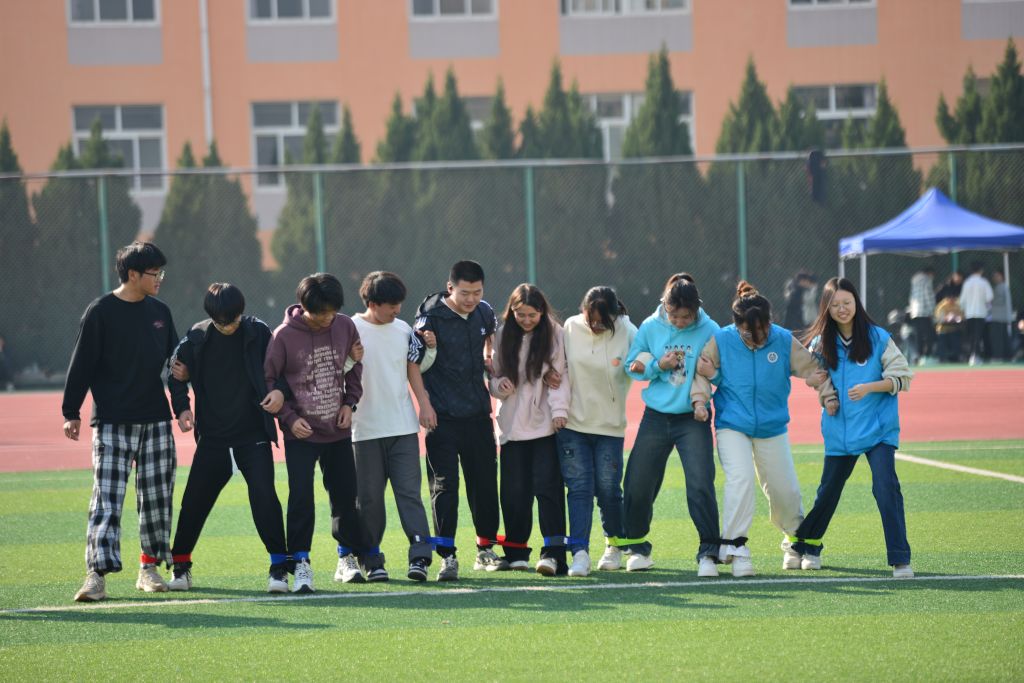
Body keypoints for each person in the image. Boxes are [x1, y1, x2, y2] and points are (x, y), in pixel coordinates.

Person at [690, 281, 837, 578]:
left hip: (772, 426)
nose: (757, 339)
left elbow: (814, 370)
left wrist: (828, 396)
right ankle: (735, 547)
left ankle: (795, 541)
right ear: (737, 325)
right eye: (748, 333)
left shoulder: (782, 340)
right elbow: (702, 373)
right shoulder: (721, 340)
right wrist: (699, 401)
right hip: (733, 424)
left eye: (762, 331)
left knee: (785, 489)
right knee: (741, 479)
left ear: (771, 322)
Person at [62, 241, 179, 602]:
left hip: (156, 420)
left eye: (161, 272)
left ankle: (149, 568)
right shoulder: (100, 312)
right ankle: (96, 576)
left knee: (157, 497)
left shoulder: (160, 312)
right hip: (112, 421)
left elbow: (176, 364)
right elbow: (82, 364)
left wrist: (183, 404)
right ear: (132, 274)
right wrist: (71, 411)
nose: (160, 279)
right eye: (154, 273)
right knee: (107, 499)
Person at [165, 283, 289, 593]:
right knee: (193, 502)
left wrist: (279, 391)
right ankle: (181, 567)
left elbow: (283, 369)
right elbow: (174, 375)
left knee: (265, 498)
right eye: (221, 322)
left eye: (232, 320)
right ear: (212, 317)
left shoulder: (259, 332)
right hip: (213, 439)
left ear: (241, 312)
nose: (228, 326)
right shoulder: (197, 337)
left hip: (253, 436)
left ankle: (278, 569)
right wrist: (182, 409)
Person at [789, 277, 914, 578]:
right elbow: (815, 376)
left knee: (886, 487)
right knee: (828, 492)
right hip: (840, 431)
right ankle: (808, 546)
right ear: (826, 308)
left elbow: (903, 378)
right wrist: (825, 394)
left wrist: (870, 387)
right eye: (835, 305)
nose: (842, 309)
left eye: (847, 302)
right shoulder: (821, 342)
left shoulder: (878, 337)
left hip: (878, 430)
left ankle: (900, 559)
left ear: (857, 303)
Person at [263, 272, 368, 593]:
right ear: (305, 306)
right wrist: (289, 418)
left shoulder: (344, 326)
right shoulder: (283, 336)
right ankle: (301, 563)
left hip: (338, 430)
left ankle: (346, 557)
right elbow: (269, 382)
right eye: (321, 313)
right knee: (301, 499)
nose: (327, 319)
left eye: (332, 312)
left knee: (345, 497)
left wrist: (350, 404)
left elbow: (354, 366)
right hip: (301, 434)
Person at [621, 276, 721, 576]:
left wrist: (712, 374)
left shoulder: (711, 330)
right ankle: (637, 547)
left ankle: (709, 550)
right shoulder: (651, 326)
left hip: (693, 416)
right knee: (638, 480)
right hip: (656, 415)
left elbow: (722, 372)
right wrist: (657, 366)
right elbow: (631, 365)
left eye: (685, 317)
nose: (678, 322)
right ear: (664, 305)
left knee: (700, 482)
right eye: (673, 315)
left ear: (696, 309)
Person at [409, 260, 502, 581]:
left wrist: (490, 362)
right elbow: (414, 363)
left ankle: (485, 549)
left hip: (478, 414)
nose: (471, 299)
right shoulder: (429, 316)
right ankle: (447, 556)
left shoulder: (484, 312)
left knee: (485, 484)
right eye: (465, 293)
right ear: (450, 288)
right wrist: (424, 405)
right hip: (442, 417)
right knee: (444, 487)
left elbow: (491, 342)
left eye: (477, 292)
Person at [351, 271, 438, 583]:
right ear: (373, 303)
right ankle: (371, 559)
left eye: (399, 304)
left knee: (409, 494)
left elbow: (413, 368)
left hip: (402, 428)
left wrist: (424, 404)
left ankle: (420, 556)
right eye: (391, 305)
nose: (398, 310)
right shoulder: (351, 329)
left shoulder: (403, 330)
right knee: (369, 499)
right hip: (364, 430)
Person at [489, 284, 570, 576]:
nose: (526, 320)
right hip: (512, 428)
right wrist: (499, 386)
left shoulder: (555, 334)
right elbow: (494, 376)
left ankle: (553, 554)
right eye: (520, 314)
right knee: (513, 492)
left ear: (542, 312)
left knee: (548, 490)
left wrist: (559, 412)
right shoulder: (501, 335)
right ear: (511, 312)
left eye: (532, 315)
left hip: (545, 426)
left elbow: (560, 377)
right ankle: (516, 552)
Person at [558, 286, 637, 576]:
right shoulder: (570, 327)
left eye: (603, 322)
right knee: (579, 489)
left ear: (615, 316)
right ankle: (579, 553)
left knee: (608, 490)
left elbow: (644, 362)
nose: (596, 326)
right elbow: (558, 362)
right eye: (591, 320)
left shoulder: (628, 331)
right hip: (573, 425)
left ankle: (614, 545)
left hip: (610, 427)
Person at [960, 262, 993, 365]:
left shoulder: (967, 283)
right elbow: (989, 297)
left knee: (971, 336)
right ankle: (976, 356)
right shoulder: (984, 282)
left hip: (969, 313)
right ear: (981, 270)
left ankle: (971, 355)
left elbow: (962, 300)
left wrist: (963, 310)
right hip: (981, 313)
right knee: (978, 336)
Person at [908, 266, 936, 364]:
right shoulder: (927, 280)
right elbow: (928, 296)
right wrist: (932, 310)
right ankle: (927, 356)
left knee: (918, 335)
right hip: (925, 312)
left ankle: (918, 356)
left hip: (915, 312)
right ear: (930, 273)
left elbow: (911, 297)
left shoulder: (914, 281)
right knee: (929, 334)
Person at [989, 269, 1013, 361]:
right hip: (1003, 317)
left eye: (997, 276)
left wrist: (990, 301)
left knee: (997, 338)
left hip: (998, 317)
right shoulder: (1003, 286)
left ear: (1002, 276)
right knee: (1004, 337)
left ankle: (998, 356)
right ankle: (1008, 356)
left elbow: (999, 301)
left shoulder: (1000, 287)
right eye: (994, 276)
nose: (994, 278)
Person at [933, 295, 963, 363]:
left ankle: (955, 358)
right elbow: (939, 319)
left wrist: (956, 318)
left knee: (956, 337)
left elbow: (962, 316)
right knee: (942, 340)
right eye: (950, 298)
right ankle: (942, 358)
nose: (952, 300)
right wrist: (946, 318)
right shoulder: (941, 306)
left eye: (953, 298)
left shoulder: (957, 305)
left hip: (954, 328)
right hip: (942, 329)